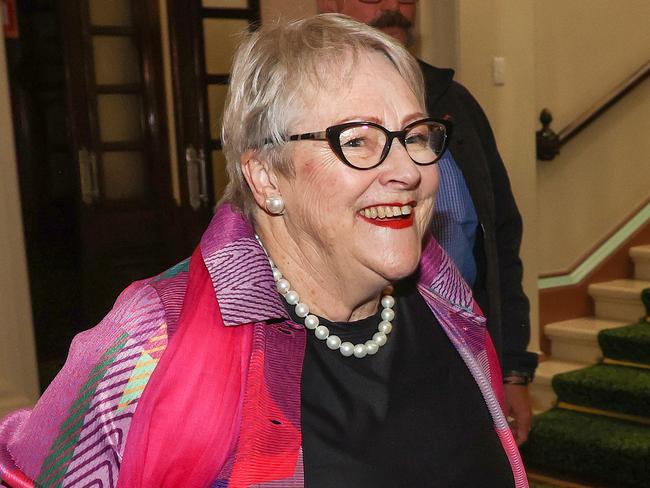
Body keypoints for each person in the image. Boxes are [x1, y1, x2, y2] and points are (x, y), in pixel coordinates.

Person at [0, 14, 528, 488]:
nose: (409, 171)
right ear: (265, 175)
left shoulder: (445, 295)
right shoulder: (157, 334)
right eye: (358, 140)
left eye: (415, 135)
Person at [316, 0, 539, 445]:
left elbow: (499, 241)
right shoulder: (306, 105)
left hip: (469, 364)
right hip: (355, 380)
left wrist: (512, 369)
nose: (394, 8)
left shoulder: (454, 102)